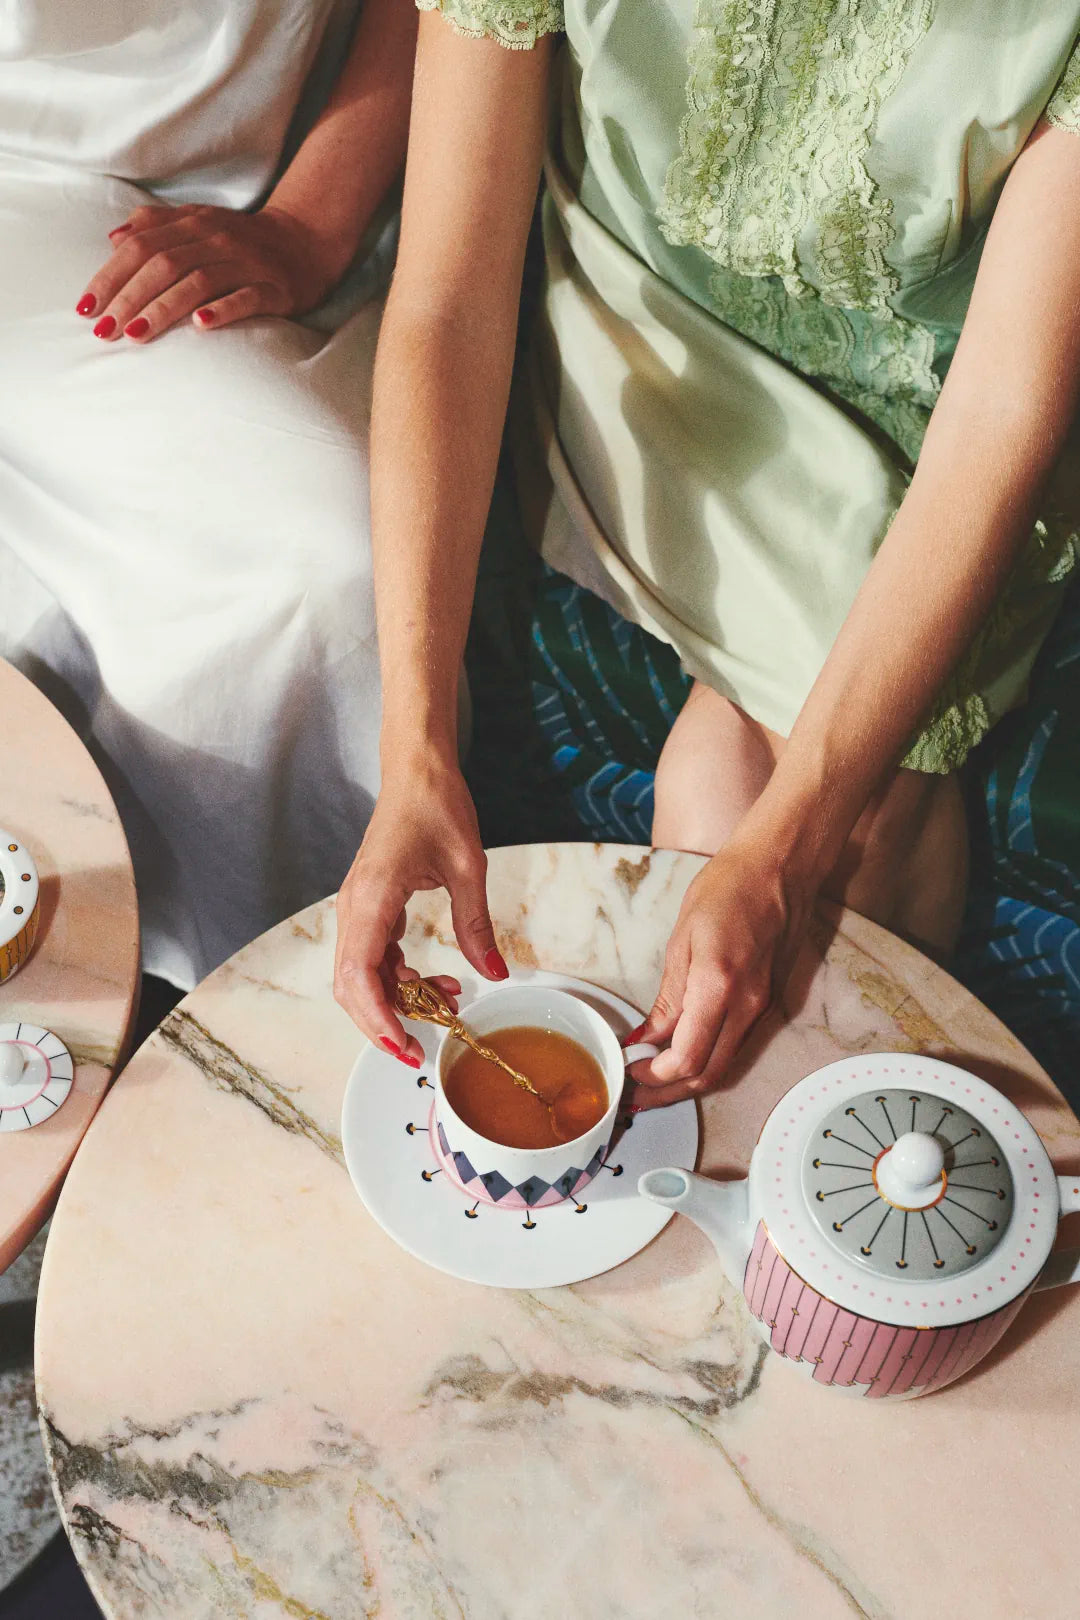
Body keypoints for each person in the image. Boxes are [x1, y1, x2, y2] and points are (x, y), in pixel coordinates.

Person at [334, 4, 1080, 1105]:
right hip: (641, 337)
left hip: (935, 401)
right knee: (761, 837)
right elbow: (448, 296)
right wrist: (415, 757)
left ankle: (775, 1216)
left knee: (796, 837)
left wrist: (780, 859)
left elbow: (1003, 412)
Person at [0, 0, 416, 987]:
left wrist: (314, 219)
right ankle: (222, 1012)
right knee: (320, 550)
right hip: (27, 164)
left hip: (281, 154)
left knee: (334, 557)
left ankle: (284, 1013)